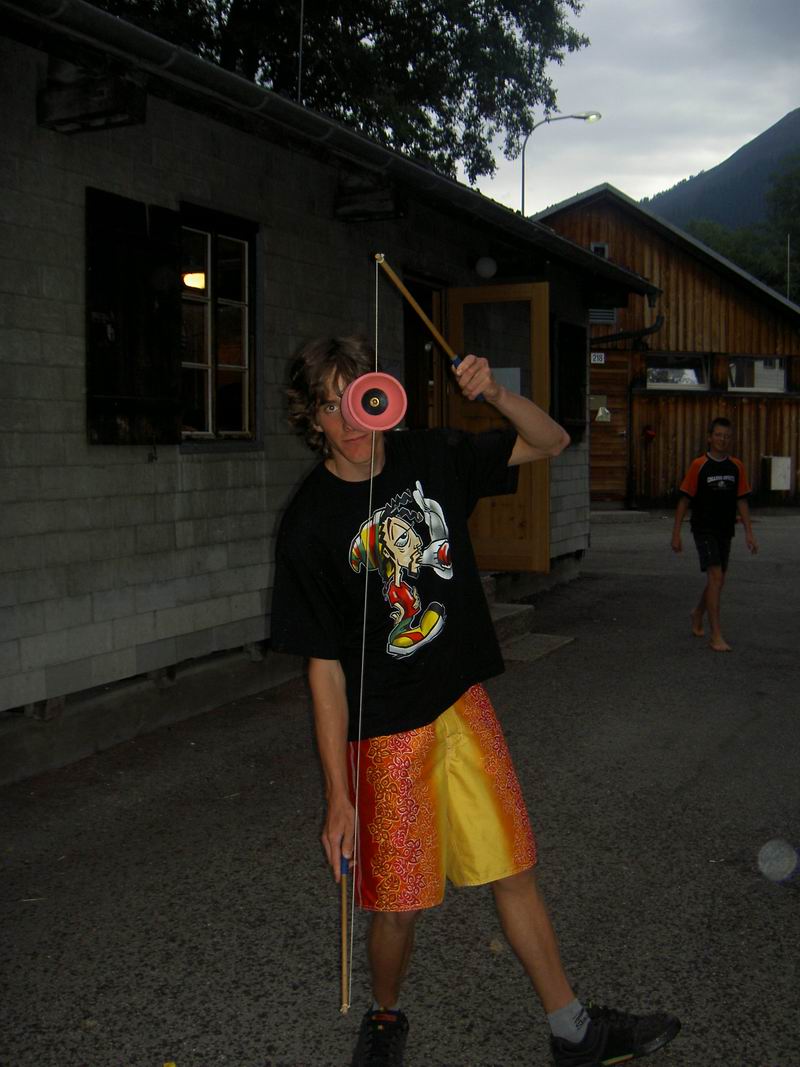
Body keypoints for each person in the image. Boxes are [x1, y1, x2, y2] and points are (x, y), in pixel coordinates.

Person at [271, 335, 680, 1067]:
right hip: (385, 733)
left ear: (380, 396)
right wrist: (338, 795)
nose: (350, 422)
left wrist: (493, 391)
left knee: (512, 868)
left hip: (461, 705)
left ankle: (572, 1030)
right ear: (312, 419)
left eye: (357, 398)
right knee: (399, 905)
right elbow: (324, 671)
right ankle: (385, 1017)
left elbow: (549, 441)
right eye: (329, 407)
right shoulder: (309, 523)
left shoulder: (432, 455)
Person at [671, 416, 758, 652]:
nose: (723, 439)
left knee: (718, 580)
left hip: (725, 529)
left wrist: (749, 533)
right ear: (710, 438)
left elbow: (742, 501)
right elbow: (684, 500)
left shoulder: (736, 467)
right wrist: (676, 534)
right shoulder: (699, 465)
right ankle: (716, 635)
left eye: (727, 436)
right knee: (716, 577)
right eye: (718, 435)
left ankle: (698, 612)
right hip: (704, 529)